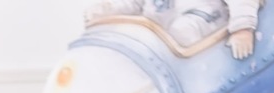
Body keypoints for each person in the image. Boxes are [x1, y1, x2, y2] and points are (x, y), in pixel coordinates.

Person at [83, 0, 259, 60]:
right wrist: (107, 9)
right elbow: (133, 2)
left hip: (205, 16)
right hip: (158, 31)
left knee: (182, 31)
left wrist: (242, 28)